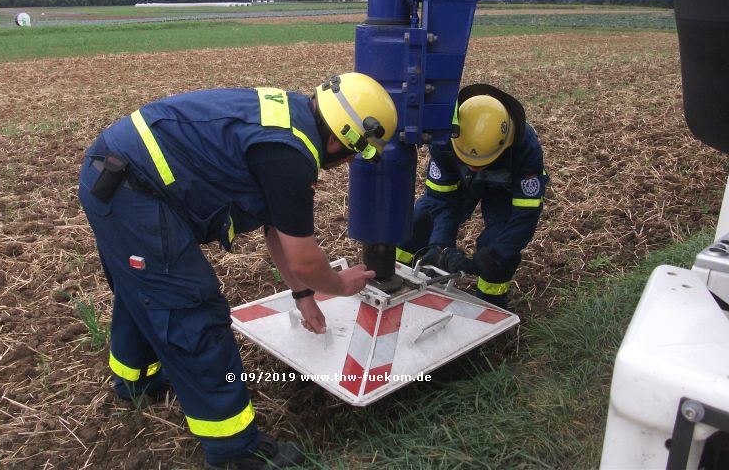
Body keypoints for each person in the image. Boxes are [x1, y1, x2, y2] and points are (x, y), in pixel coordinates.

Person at [78, 73, 397, 469]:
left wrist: (303, 295)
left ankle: (136, 380)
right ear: (339, 139)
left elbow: (276, 229)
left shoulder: (292, 119)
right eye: (357, 153)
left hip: (117, 174)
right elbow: (305, 258)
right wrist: (339, 285)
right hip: (132, 190)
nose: (350, 162)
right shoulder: (290, 158)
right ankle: (234, 451)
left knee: (147, 286)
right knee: (191, 309)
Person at [396, 84, 548, 310]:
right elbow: (442, 201)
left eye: (481, 163)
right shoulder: (444, 137)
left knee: (499, 243)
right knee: (420, 220)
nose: (475, 168)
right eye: (468, 161)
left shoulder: (526, 147)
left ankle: (491, 303)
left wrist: (488, 258)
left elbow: (524, 216)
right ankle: (398, 275)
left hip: (503, 191)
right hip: (459, 182)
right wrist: (441, 247)